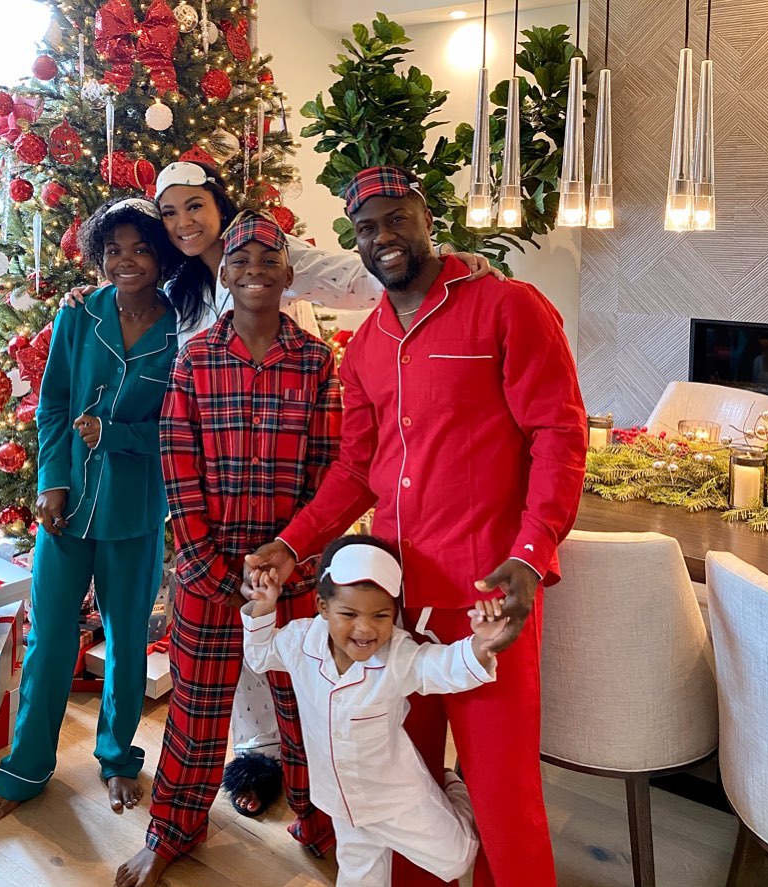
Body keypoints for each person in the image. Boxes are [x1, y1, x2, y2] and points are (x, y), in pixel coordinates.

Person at [63, 160, 503, 816]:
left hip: (286, 522)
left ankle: (318, 813)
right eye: (171, 212)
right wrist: (87, 293)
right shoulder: (181, 296)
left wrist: (446, 268)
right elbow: (170, 426)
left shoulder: (306, 339)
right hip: (212, 524)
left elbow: (360, 276)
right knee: (212, 685)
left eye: (195, 205)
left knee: (299, 682)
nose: (184, 221)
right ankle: (241, 766)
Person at [247, 166, 589, 887]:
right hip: (393, 610)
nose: (384, 236)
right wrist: (291, 542)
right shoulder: (366, 345)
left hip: (486, 598)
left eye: (396, 217)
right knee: (408, 786)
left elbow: (558, 434)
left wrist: (532, 553)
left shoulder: (507, 306)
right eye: (366, 227)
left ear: (427, 218)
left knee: (501, 794)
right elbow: (356, 468)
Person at [115, 211, 341, 887]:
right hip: (207, 570)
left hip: (291, 575)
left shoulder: (315, 362)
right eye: (239, 261)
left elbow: (326, 472)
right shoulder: (194, 360)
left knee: (305, 707)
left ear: (288, 275)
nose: (254, 271)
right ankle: (173, 830)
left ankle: (322, 822)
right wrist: (205, 566)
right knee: (195, 709)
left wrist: (294, 561)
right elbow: (178, 467)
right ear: (223, 276)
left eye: (269, 260)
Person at [0, 198, 179, 821]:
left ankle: (118, 759)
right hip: (65, 509)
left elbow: (182, 429)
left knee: (126, 640)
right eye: (113, 250)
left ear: (162, 255)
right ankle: (25, 767)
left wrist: (117, 434)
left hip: (136, 510)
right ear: (99, 256)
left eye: (140, 249)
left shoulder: (182, 329)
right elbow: (53, 405)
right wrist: (52, 483)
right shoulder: (78, 314)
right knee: (47, 639)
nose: (126, 261)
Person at [243, 535, 507, 886]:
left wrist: (481, 644)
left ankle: (452, 785)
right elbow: (260, 654)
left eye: (380, 615)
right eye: (349, 614)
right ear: (323, 606)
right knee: (359, 875)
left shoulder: (396, 655)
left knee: (455, 860)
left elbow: (440, 666)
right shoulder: (301, 642)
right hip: (339, 798)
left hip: (395, 798)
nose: (365, 628)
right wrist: (263, 607)